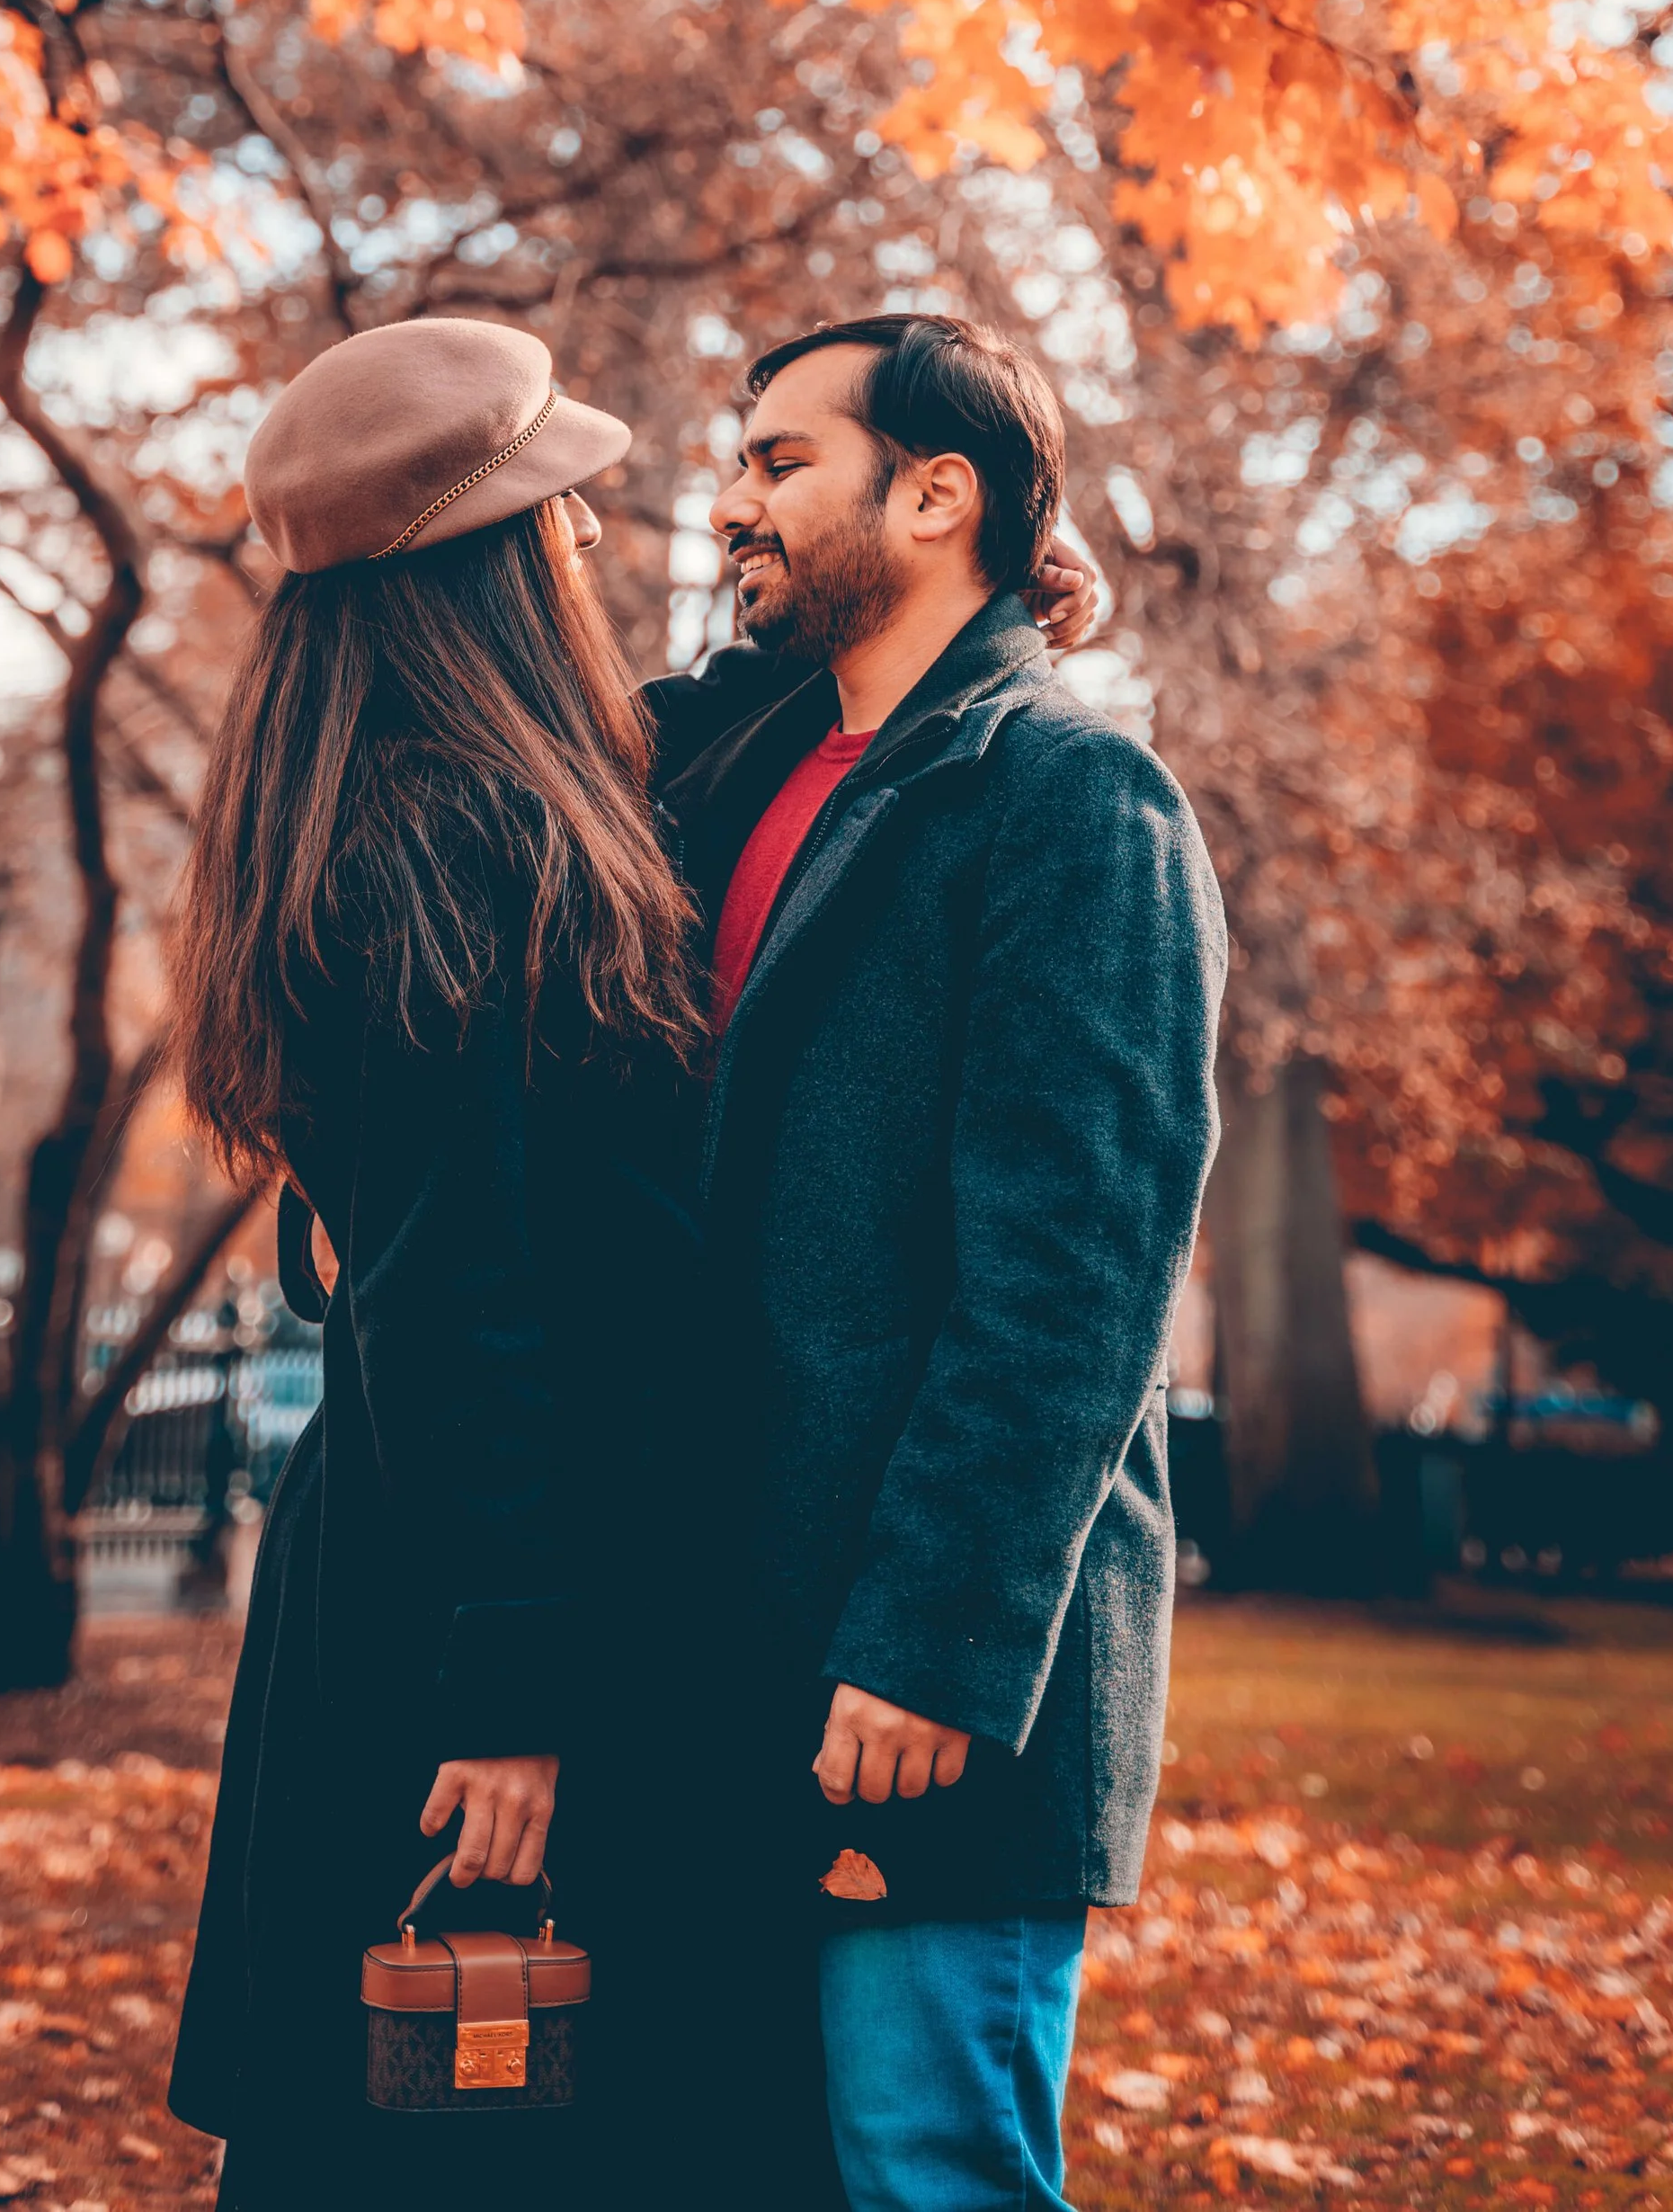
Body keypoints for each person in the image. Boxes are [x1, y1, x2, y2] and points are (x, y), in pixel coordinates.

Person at [647, 311, 1226, 2212]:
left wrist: (928, 1651)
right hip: (727, 1659)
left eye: (776, 462)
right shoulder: (735, 772)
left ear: (931, 492)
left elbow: (1070, 1288)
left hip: (929, 1689)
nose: (732, 502)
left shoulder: (1073, 803)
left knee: (924, 2172)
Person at [163, 317, 709, 2212]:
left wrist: (989, 605)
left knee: (406, 2131)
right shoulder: (448, 842)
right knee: (445, 2135)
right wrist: (509, 1691)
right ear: (492, 562)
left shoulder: (391, 802)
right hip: (470, 1597)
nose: (585, 542)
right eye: (554, 509)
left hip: (426, 1554)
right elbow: (469, 1294)